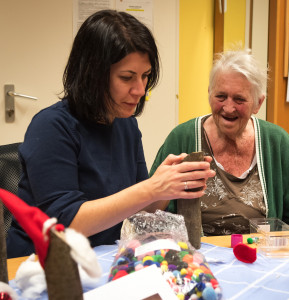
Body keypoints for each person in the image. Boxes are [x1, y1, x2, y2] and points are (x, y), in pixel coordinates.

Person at [6, 10, 215, 258]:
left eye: (145, 76)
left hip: (103, 257)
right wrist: (152, 187)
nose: (140, 90)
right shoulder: (51, 127)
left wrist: (166, 188)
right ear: (92, 75)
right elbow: (67, 223)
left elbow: (137, 213)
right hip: (43, 265)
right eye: (127, 77)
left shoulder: (126, 125)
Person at [150, 50, 289, 235]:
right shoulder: (182, 138)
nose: (229, 107)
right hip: (197, 258)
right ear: (209, 94)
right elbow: (152, 215)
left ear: (258, 103)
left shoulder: (277, 142)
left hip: (261, 258)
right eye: (221, 96)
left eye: (239, 99)